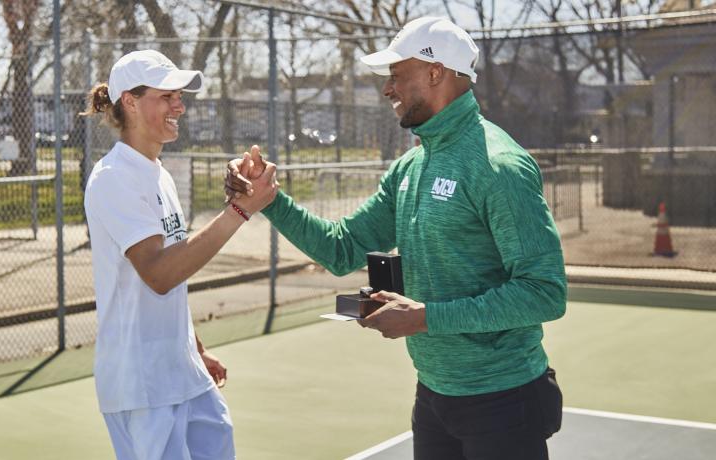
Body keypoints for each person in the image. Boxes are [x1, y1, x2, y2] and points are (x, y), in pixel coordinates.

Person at [225, 17, 566, 460]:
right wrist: (271, 200)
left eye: (395, 75)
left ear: (435, 72)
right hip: (433, 398)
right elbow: (341, 247)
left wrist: (424, 317)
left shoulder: (499, 166)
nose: (388, 89)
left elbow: (545, 292)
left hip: (503, 402)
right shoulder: (411, 167)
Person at [82, 49, 277, 460]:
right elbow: (158, 273)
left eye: (179, 95)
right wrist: (239, 211)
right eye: (166, 96)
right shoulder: (114, 179)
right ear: (130, 102)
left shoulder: (160, 174)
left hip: (182, 373)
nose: (179, 105)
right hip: (142, 386)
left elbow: (174, 272)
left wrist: (197, 348)